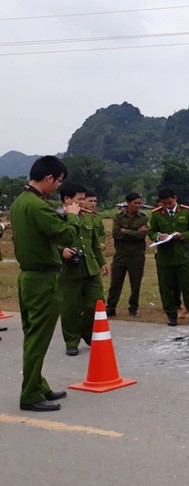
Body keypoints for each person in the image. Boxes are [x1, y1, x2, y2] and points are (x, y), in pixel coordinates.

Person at [10, 155, 80, 412]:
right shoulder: (38, 206)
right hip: (42, 279)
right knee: (38, 337)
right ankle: (30, 394)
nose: (58, 188)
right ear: (49, 178)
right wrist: (72, 215)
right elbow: (68, 235)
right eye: (58, 182)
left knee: (33, 334)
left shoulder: (21, 201)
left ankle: (38, 384)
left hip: (28, 276)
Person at [58, 182, 109, 356]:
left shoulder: (88, 216)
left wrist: (102, 262)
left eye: (83, 199)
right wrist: (61, 251)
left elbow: (94, 243)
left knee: (96, 303)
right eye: (79, 199)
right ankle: (71, 340)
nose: (83, 202)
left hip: (91, 268)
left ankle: (88, 334)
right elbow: (46, 242)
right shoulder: (56, 217)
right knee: (70, 307)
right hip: (70, 270)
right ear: (67, 199)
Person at [148, 188, 189, 326]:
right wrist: (158, 236)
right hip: (164, 257)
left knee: (187, 287)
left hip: (182, 255)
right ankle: (171, 315)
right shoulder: (156, 215)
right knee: (166, 287)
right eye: (164, 203)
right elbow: (151, 231)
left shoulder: (186, 211)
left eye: (169, 202)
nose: (167, 205)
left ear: (175, 198)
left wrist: (182, 235)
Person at [106, 192, 148, 318]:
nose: (138, 205)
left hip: (137, 255)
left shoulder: (143, 217)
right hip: (121, 254)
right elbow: (116, 234)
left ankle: (133, 308)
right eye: (135, 203)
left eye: (139, 203)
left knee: (135, 284)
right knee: (115, 283)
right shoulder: (118, 217)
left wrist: (126, 231)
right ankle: (111, 307)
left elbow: (142, 236)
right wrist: (134, 232)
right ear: (128, 203)